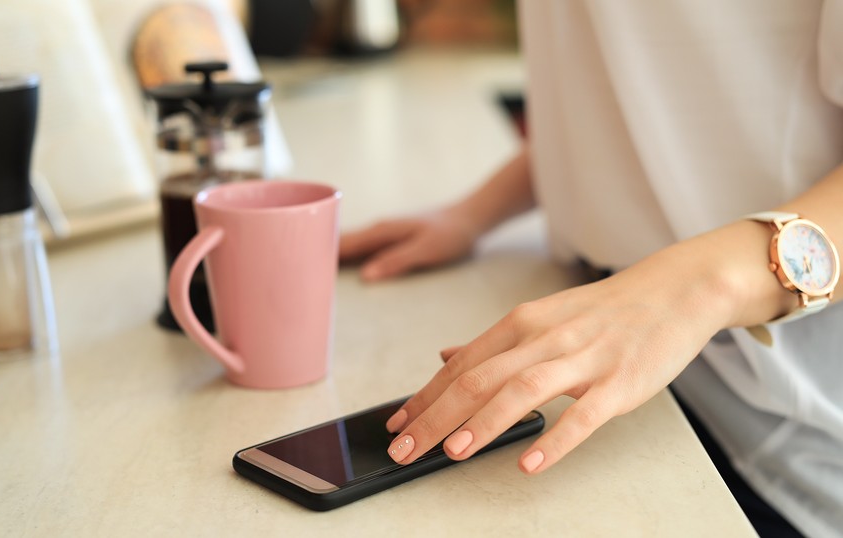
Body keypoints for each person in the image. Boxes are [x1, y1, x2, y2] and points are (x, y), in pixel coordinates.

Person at [339, 3, 843, 537]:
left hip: (788, 426)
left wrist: (694, 290)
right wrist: (474, 212)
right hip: (626, 344)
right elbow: (630, 99)